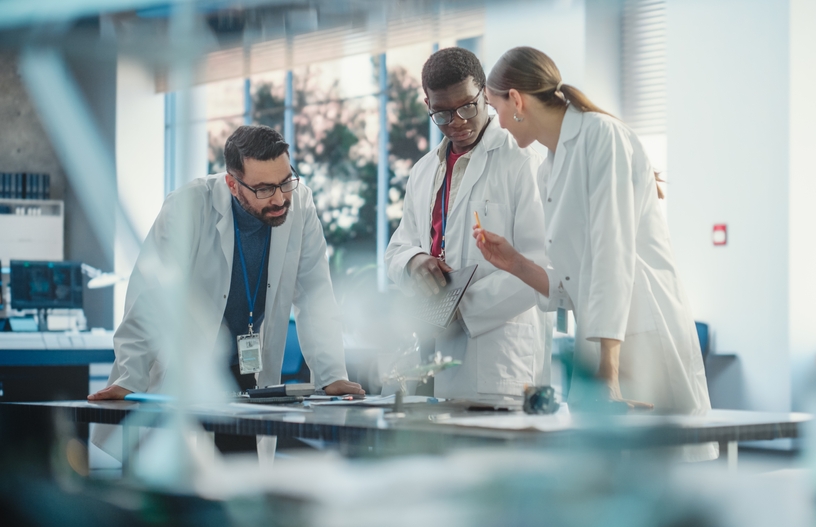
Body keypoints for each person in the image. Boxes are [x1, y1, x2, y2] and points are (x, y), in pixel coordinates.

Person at [473, 47, 716, 460]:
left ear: (516, 100)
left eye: (494, 108)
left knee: (664, 486)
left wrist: (609, 377)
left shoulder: (602, 135)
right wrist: (513, 262)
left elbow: (612, 255)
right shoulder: (548, 167)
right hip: (603, 346)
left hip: (640, 336)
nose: (496, 121)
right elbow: (572, 287)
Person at [89, 125, 363, 405]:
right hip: (188, 368)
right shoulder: (189, 206)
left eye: (285, 181)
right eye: (264, 189)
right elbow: (150, 297)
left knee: (242, 445)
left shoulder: (301, 205)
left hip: (246, 371)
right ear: (232, 184)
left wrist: (332, 375)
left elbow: (315, 294)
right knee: (190, 446)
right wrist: (129, 378)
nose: (280, 198)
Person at [385, 47, 550, 403]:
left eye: (467, 107)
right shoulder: (424, 170)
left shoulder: (522, 162)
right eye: (441, 114)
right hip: (426, 351)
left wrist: (459, 306)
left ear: (485, 96)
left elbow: (541, 267)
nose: (456, 122)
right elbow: (397, 249)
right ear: (427, 103)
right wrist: (414, 262)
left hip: (493, 354)